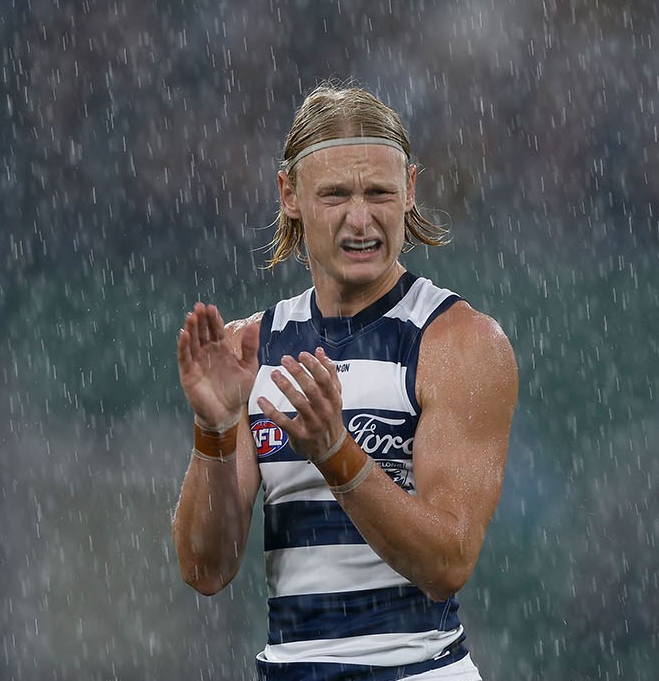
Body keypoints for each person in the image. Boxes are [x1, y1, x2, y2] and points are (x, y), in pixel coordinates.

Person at [172, 83, 519, 680]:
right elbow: (206, 569)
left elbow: (447, 561)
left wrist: (336, 452)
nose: (362, 220)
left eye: (379, 192)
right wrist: (216, 429)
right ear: (290, 196)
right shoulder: (257, 347)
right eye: (336, 194)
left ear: (410, 190)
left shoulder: (458, 342)